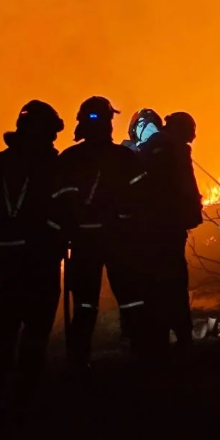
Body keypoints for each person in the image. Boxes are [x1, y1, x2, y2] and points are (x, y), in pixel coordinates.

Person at [48, 96, 148, 368]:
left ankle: (79, 360)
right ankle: (142, 353)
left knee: (86, 304)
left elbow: (58, 205)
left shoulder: (68, 159)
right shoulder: (125, 157)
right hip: (119, 241)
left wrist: (62, 236)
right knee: (130, 299)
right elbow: (141, 200)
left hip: (84, 244)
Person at [0, 100, 65, 398]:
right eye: (51, 133)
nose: (54, 140)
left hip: (9, 259)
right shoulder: (52, 165)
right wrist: (57, 235)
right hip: (41, 259)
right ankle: (27, 390)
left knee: (7, 323)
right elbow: (64, 209)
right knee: (37, 326)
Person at [138, 111, 204, 351]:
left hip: (150, 228)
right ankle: (182, 335)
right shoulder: (174, 148)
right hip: (168, 226)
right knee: (175, 281)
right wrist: (192, 212)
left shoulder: (150, 147)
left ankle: (159, 338)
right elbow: (184, 185)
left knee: (156, 282)